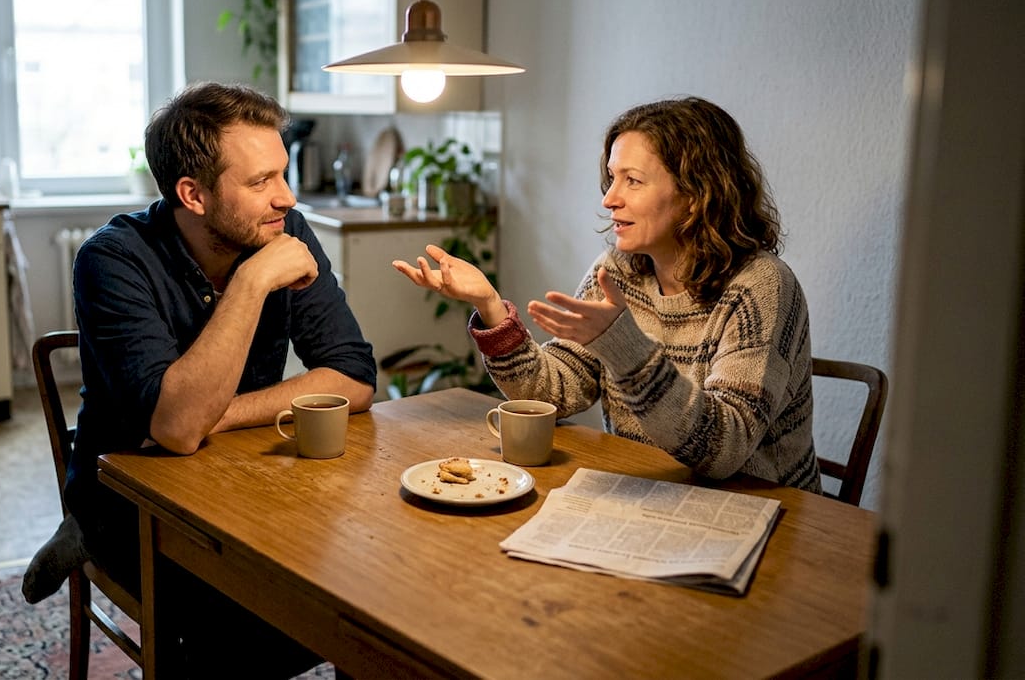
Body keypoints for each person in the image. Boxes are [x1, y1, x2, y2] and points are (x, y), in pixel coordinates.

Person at [63, 81, 377, 677]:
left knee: (369, 598)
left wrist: (220, 414)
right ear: (193, 194)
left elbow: (354, 377)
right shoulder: (110, 260)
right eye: (260, 182)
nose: (286, 198)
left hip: (242, 480)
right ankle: (75, 533)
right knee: (234, 636)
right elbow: (179, 431)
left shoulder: (283, 229)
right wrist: (255, 282)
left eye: (284, 174)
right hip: (128, 499)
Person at [393, 96, 820, 492]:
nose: (609, 199)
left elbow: (723, 451)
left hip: (763, 509)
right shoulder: (618, 271)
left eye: (633, 181)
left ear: (696, 195)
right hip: (648, 492)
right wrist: (488, 306)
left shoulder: (760, 287)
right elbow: (553, 393)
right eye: (612, 178)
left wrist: (625, 347)